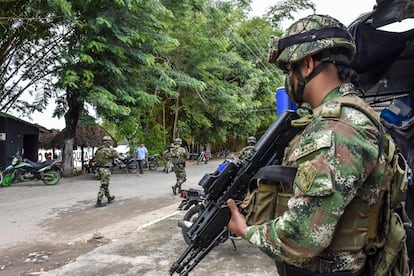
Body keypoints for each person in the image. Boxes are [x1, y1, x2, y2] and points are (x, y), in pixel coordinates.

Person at [227, 14, 396, 275]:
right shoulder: (344, 118)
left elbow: (302, 237)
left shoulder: (337, 129)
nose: (288, 79)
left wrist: (245, 230)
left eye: (288, 70)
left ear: (307, 65)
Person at [94, 136, 118, 207]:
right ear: (107, 142)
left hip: (100, 169)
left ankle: (109, 197)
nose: (111, 143)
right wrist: (111, 148)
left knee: (105, 184)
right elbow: (116, 155)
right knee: (104, 185)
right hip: (105, 169)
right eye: (110, 142)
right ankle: (99, 201)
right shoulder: (107, 150)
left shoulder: (99, 150)